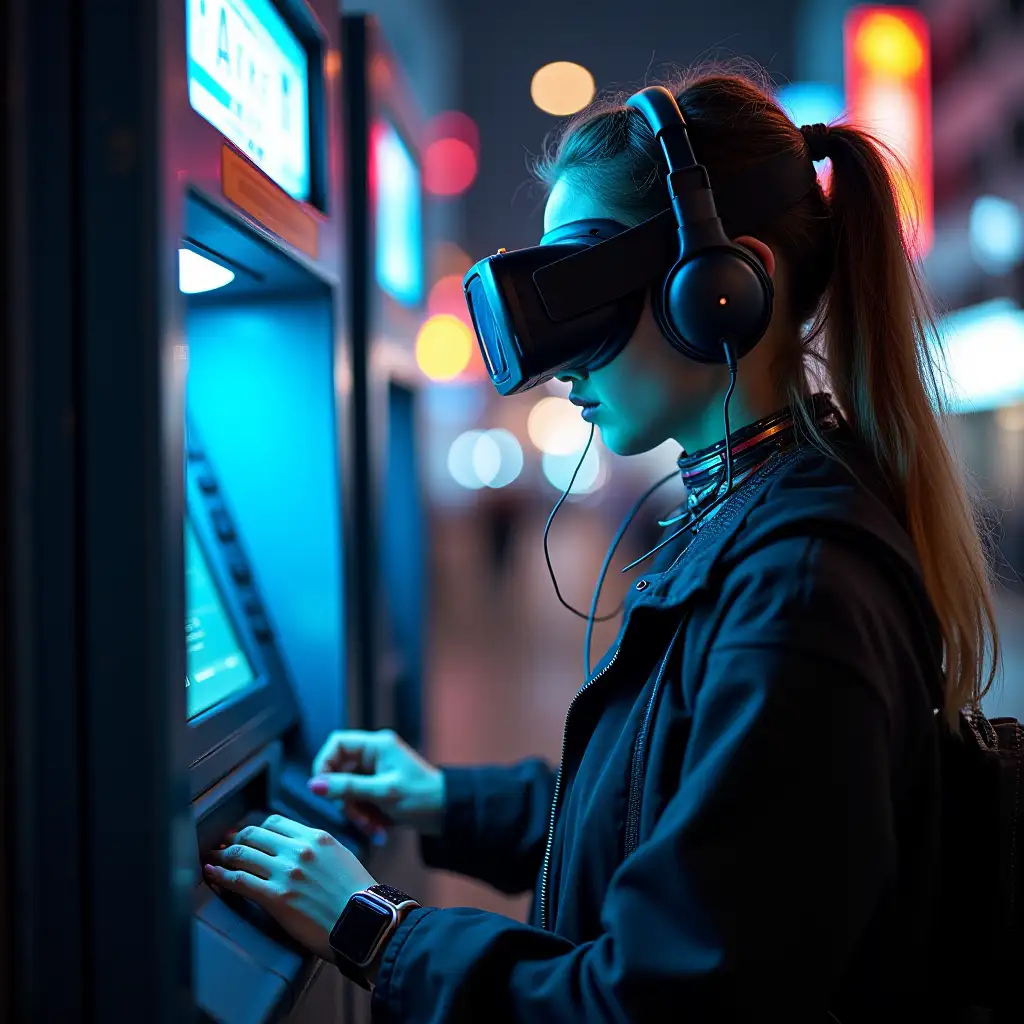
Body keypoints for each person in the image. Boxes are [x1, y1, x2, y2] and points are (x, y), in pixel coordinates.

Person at [204, 67, 1002, 1021]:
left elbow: (663, 1000)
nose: (562, 365)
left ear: (719, 289)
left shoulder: (799, 587)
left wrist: (371, 924)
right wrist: (445, 800)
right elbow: (667, 819)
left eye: (582, 296)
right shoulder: (754, 525)